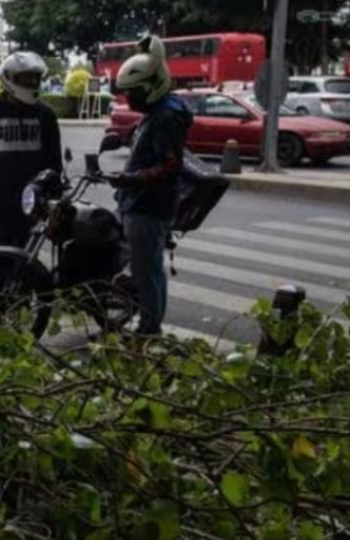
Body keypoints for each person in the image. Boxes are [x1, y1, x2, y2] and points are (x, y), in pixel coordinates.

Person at [111, 35, 192, 337]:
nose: (129, 99)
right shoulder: (160, 111)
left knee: (147, 274)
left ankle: (148, 330)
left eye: (133, 93)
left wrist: (130, 179)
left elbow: (170, 167)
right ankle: (149, 323)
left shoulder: (167, 116)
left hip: (148, 206)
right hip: (143, 202)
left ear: (152, 85)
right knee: (152, 271)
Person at [0, 52, 63, 247]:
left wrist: (54, 197)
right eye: (26, 78)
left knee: (26, 252)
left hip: (32, 196)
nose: (32, 82)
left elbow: (54, 159)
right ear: (9, 79)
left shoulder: (45, 115)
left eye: (35, 78)